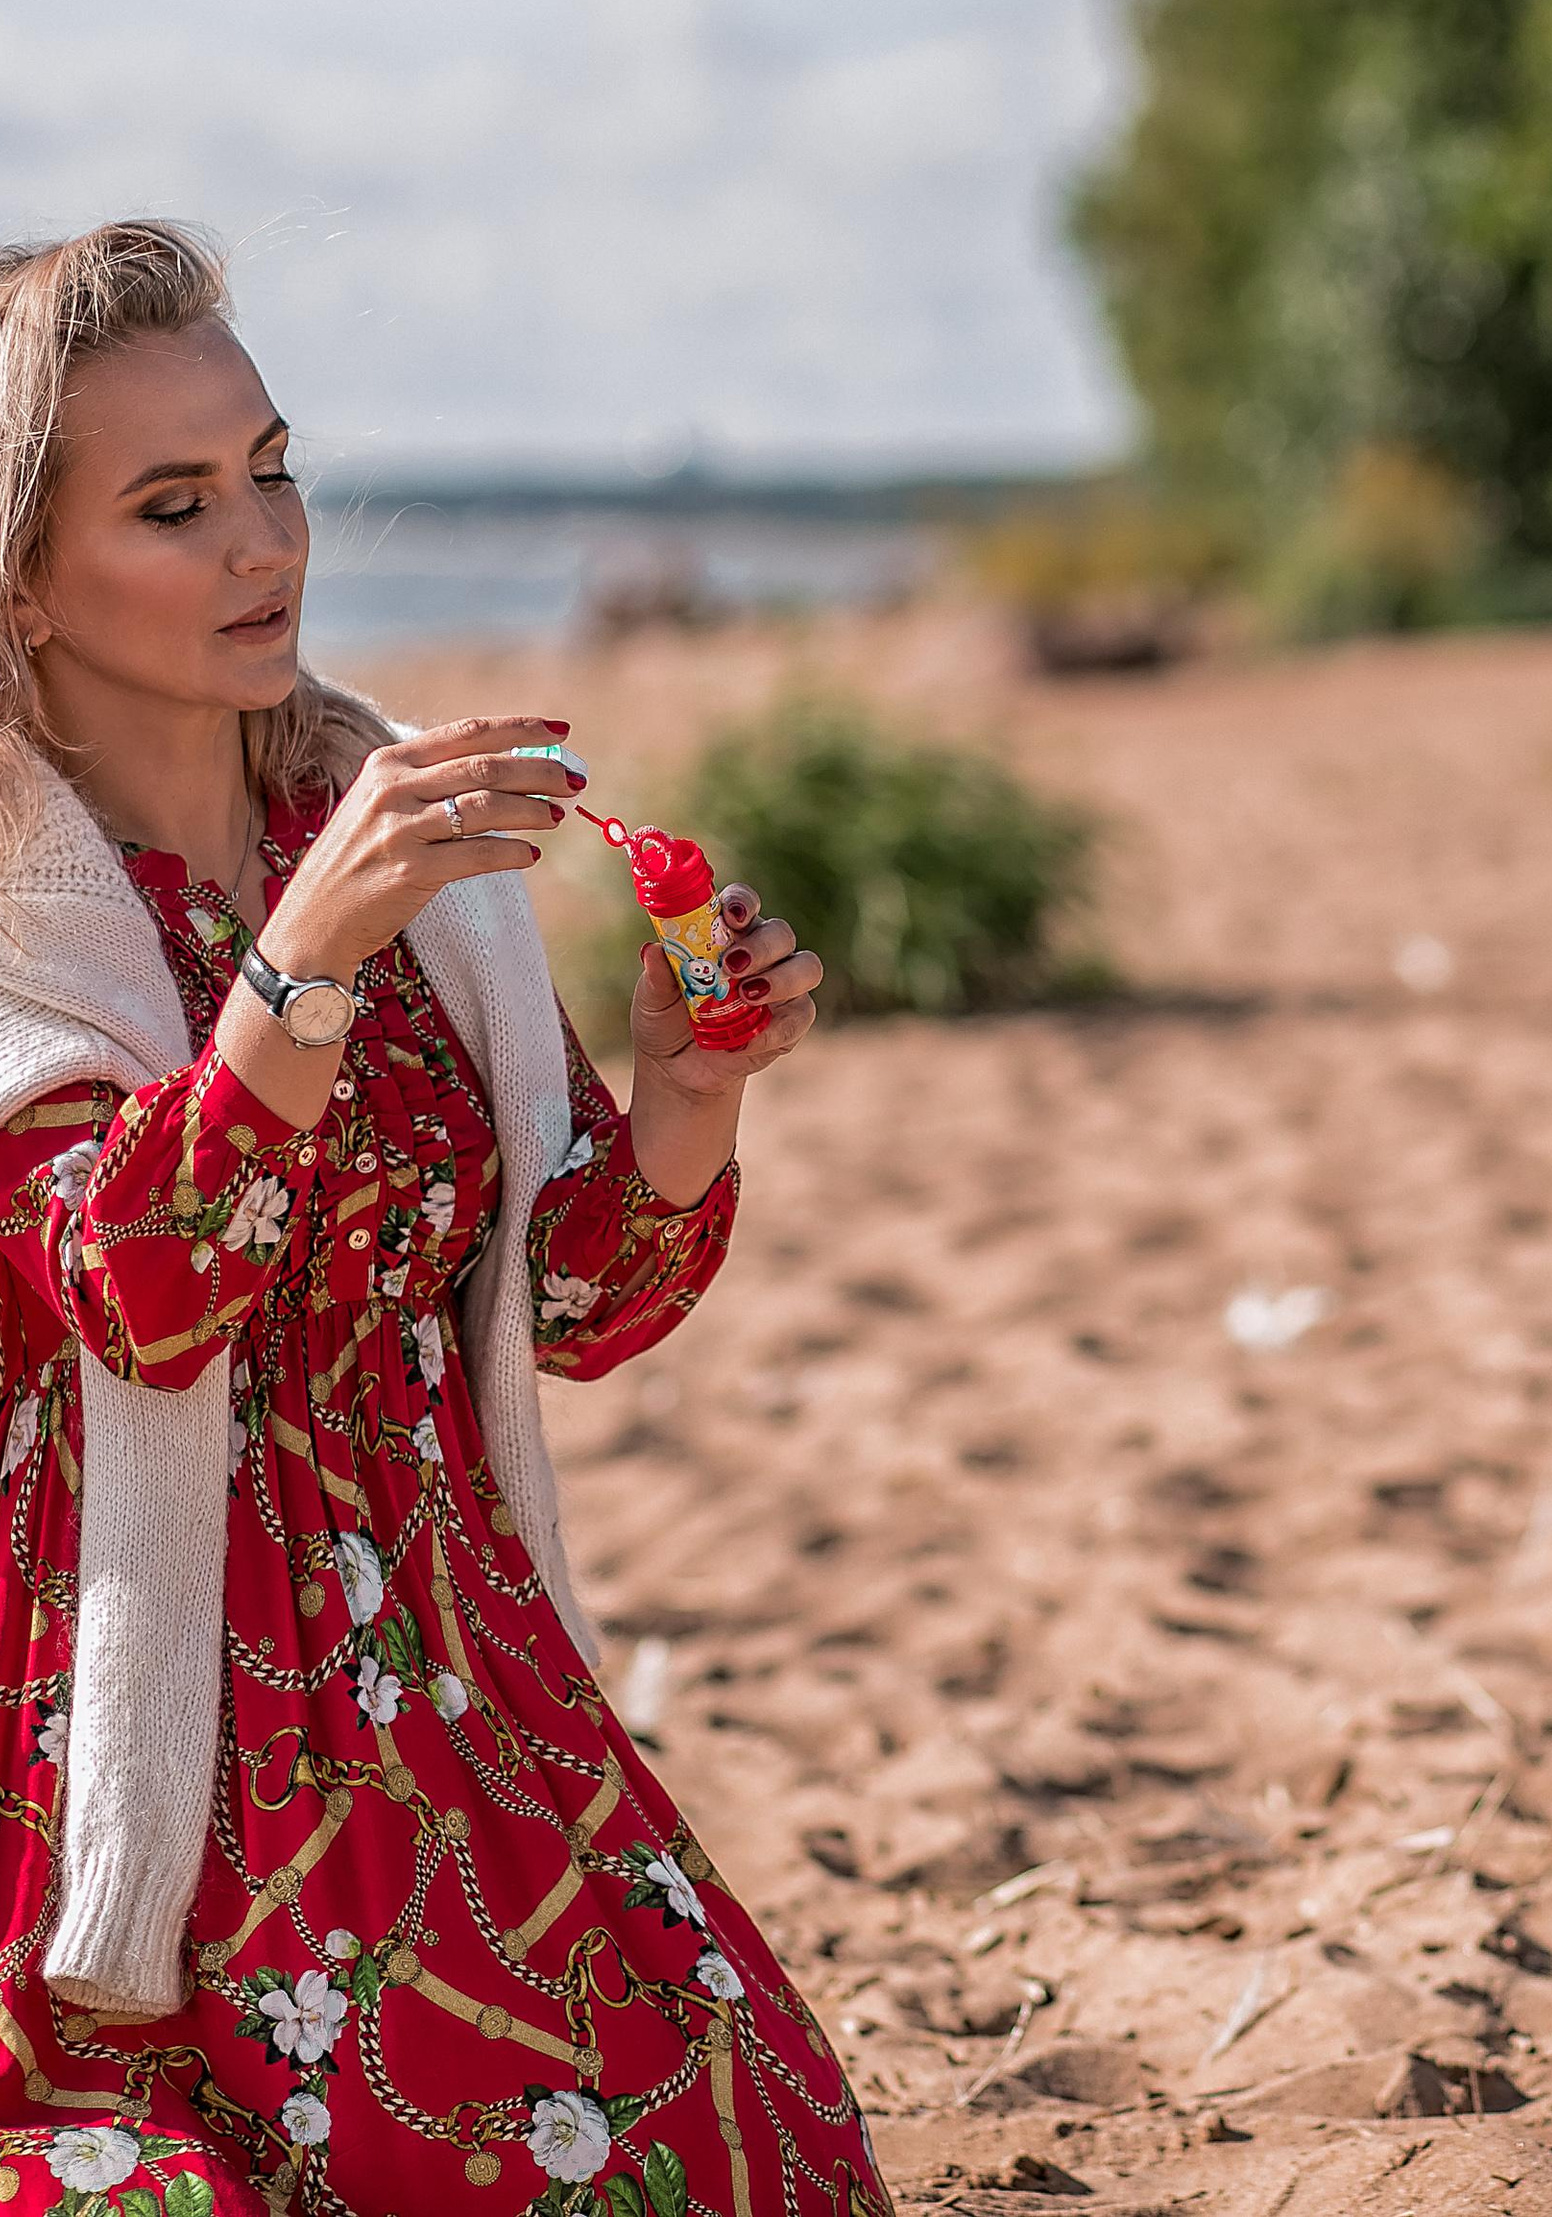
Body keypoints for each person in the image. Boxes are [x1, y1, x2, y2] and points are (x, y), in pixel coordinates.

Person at [0, 222, 895, 2214]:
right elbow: (138, 1294)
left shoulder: (393, 844)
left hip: (466, 1687)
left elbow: (558, 1296)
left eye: (272, 467)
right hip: (127, 1724)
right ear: (23, 586)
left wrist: (681, 1091)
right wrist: (299, 960)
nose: (265, 543)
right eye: (174, 503)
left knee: (769, 2166)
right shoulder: (30, 937)